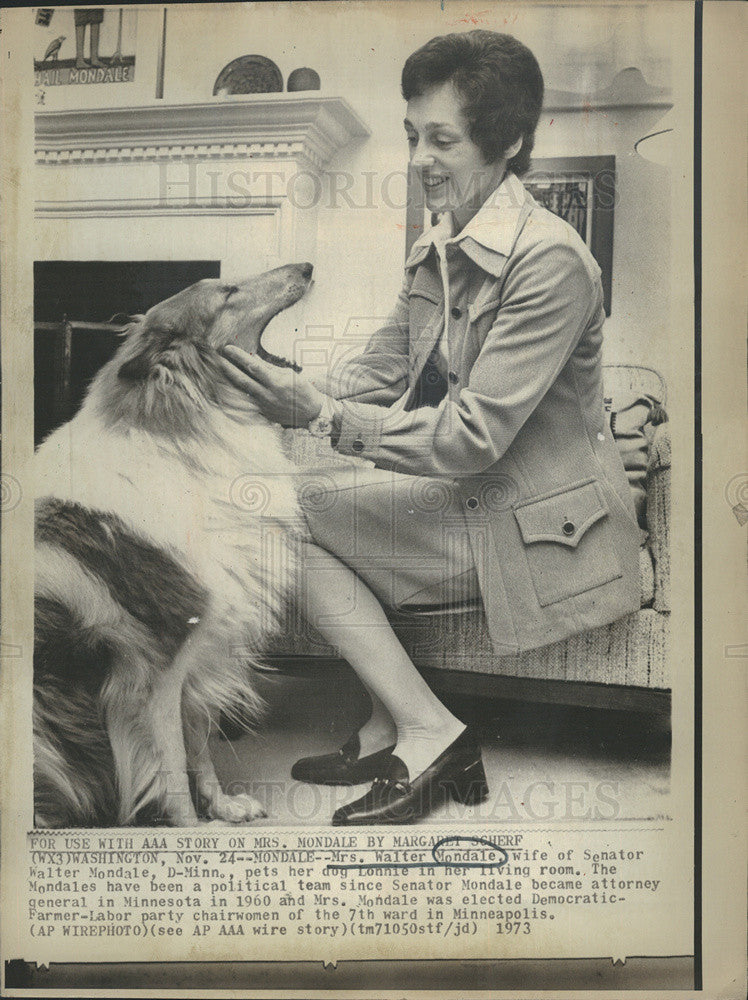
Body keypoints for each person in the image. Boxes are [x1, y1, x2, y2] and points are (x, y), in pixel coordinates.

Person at [220, 30, 642, 826]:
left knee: (283, 512)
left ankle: (431, 731)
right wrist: (268, 380)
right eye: (414, 135)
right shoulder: (439, 245)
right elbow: (376, 374)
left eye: (442, 139)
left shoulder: (550, 263)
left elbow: (470, 438)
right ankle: (386, 724)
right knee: (279, 494)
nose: (419, 158)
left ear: (508, 141)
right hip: (476, 501)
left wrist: (323, 418)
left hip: (539, 530)